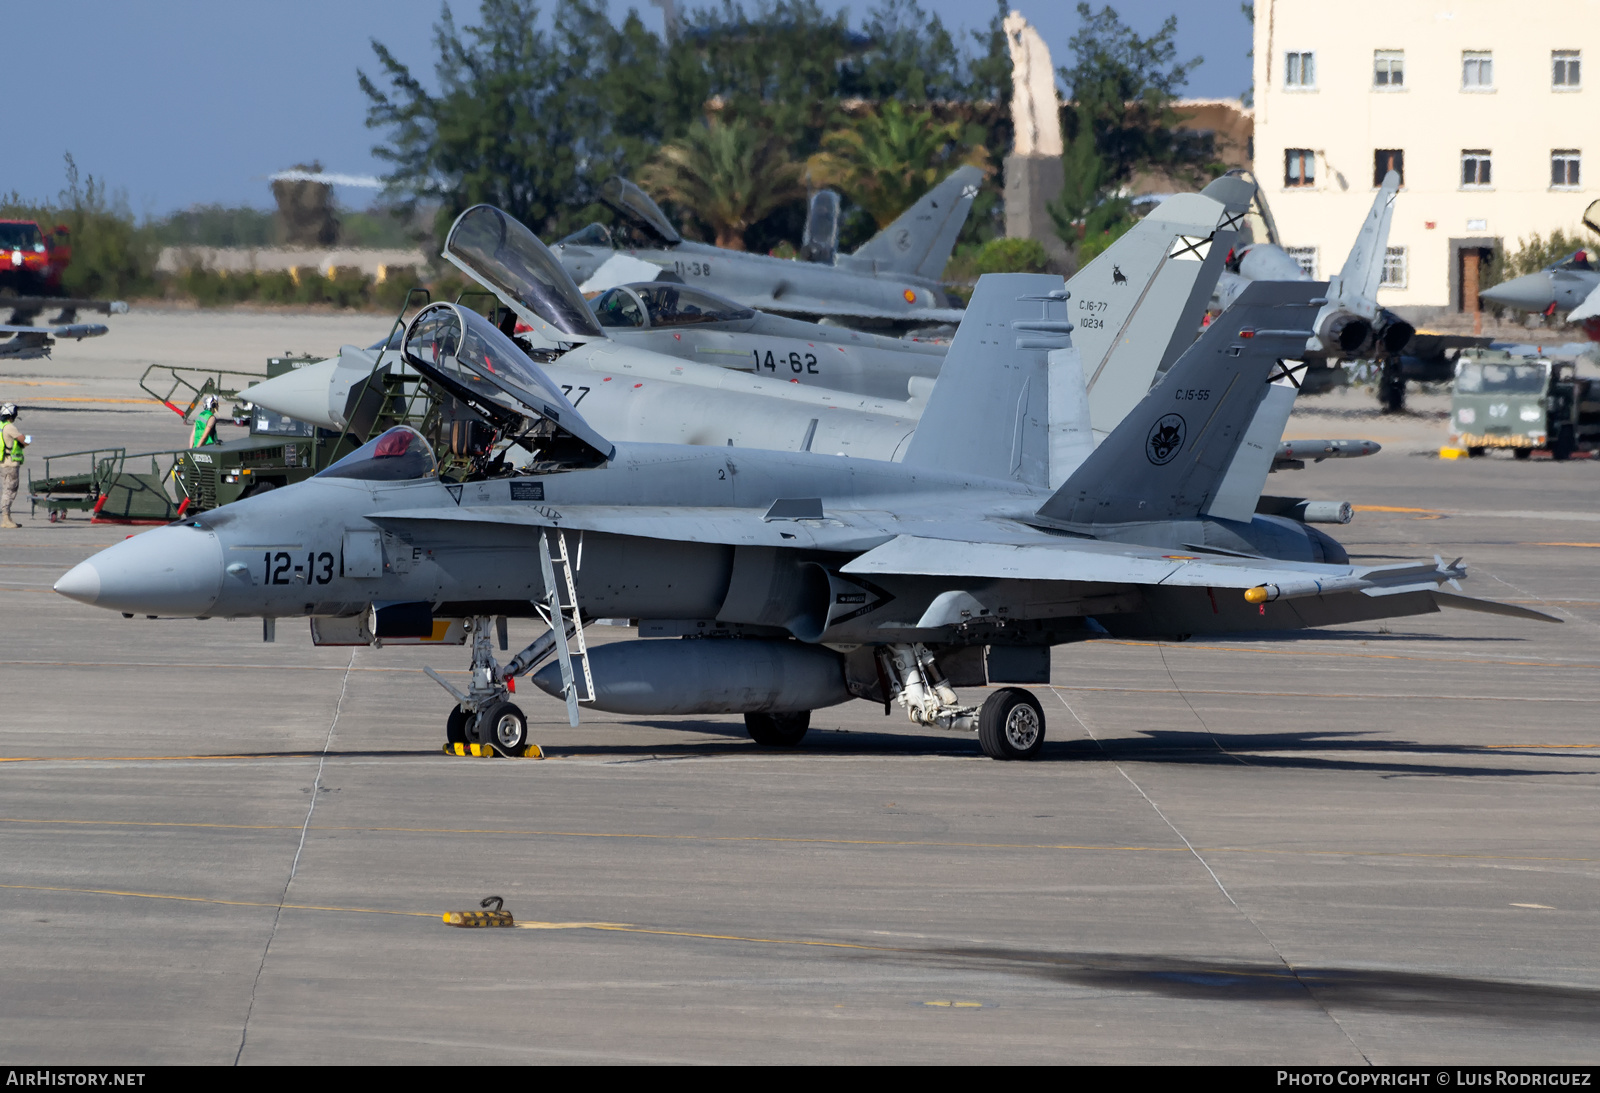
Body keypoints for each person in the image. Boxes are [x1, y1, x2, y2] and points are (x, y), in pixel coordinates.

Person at [1, 403, 28, 529]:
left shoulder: (1, 426)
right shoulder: (10, 427)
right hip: (10, 463)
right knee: (10, 490)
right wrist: (30, 439)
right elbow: (24, 440)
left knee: (7, 489)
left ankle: (7, 517)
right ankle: (6, 517)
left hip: (2, 463)